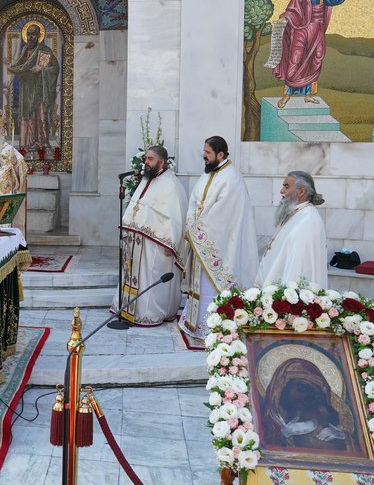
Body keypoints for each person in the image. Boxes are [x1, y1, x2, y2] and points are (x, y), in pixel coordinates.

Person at [180, 136, 258, 340]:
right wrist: (191, 228)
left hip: (219, 243)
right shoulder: (208, 173)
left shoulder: (232, 178)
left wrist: (198, 232)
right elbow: (194, 202)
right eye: (204, 151)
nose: (203, 155)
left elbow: (223, 215)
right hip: (201, 239)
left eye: (207, 152)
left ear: (220, 154)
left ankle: (211, 326)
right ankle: (195, 323)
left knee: (210, 285)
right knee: (200, 284)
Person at [112, 145, 188, 326]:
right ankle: (128, 310)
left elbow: (175, 217)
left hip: (156, 245)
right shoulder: (148, 179)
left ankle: (148, 314)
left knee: (150, 279)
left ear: (161, 162)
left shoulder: (171, 185)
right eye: (145, 158)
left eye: (150, 159)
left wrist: (171, 243)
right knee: (134, 277)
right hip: (137, 242)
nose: (146, 162)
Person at [273, 0, 355, 109]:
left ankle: (308, 94)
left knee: (317, 58)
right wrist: (284, 18)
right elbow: (292, 10)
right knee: (295, 59)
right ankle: (287, 94)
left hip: (317, 30)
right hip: (301, 30)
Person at [261, 357, 360, 453]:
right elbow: (264, 449)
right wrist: (285, 433)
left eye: (315, 393)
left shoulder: (323, 414)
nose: (307, 396)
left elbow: (355, 454)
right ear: (283, 387)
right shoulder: (269, 420)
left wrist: (342, 437)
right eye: (302, 388)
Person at [256, 171, 327, 287]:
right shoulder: (297, 213)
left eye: (286, 186)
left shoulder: (307, 220)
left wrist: (287, 294)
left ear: (301, 192)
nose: (281, 191)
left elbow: (299, 266)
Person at [7, 22, 59, 149]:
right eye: (28, 34)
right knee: (27, 116)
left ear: (39, 35)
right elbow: (21, 66)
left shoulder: (45, 50)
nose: (31, 37)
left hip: (40, 89)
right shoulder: (24, 50)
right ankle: (26, 145)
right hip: (26, 89)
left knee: (40, 116)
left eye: (33, 34)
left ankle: (42, 144)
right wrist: (14, 69)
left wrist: (42, 69)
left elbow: (55, 68)